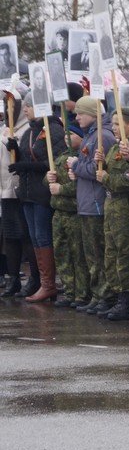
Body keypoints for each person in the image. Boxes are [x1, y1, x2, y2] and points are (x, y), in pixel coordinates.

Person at [10, 94, 67, 302]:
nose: (25, 110)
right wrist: (15, 151)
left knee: (43, 237)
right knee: (34, 237)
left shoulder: (53, 130)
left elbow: (55, 162)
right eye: (25, 106)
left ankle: (49, 284)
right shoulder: (30, 131)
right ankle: (42, 281)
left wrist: (27, 166)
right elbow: (26, 156)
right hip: (27, 192)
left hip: (41, 192)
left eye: (30, 106)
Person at [94, 108, 129, 321]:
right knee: (111, 252)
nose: (113, 128)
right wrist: (102, 161)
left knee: (126, 254)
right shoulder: (116, 146)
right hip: (111, 206)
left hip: (126, 208)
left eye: (117, 124)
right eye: (112, 123)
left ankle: (128, 300)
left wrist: (105, 176)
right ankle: (115, 294)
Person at [69, 97, 114, 313]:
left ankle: (106, 294)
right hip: (87, 202)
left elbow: (97, 171)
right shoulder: (90, 136)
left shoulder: (102, 136)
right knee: (92, 255)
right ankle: (97, 294)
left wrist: (76, 165)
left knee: (100, 252)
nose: (76, 118)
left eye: (81, 113)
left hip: (97, 204)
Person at [0, 88, 39, 298]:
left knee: (26, 236)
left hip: (19, 189)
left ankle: (34, 278)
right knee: (10, 236)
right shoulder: (5, 129)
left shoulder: (25, 129)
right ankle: (12, 278)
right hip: (5, 190)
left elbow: (26, 155)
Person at [46, 129, 85, 307]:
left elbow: (81, 187)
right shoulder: (61, 156)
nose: (67, 138)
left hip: (74, 212)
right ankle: (70, 291)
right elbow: (47, 182)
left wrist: (62, 189)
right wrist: (48, 178)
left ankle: (82, 294)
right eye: (65, 134)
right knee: (62, 254)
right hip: (59, 212)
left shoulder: (81, 157)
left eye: (72, 134)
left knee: (79, 256)